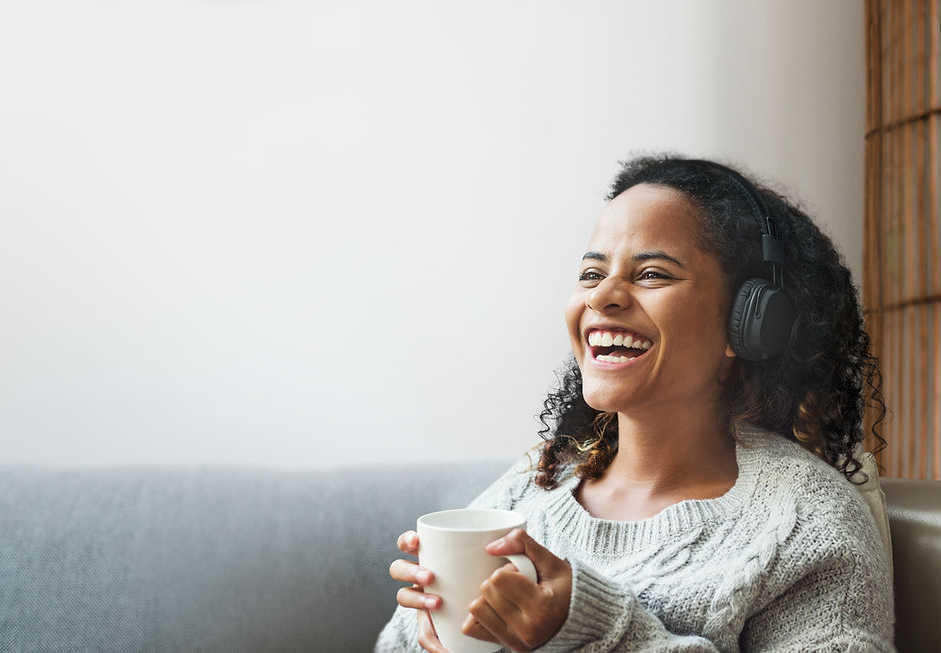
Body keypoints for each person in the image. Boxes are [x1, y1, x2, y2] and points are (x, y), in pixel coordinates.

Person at [375, 155, 894, 652]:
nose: (601, 297)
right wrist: (436, 627)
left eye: (651, 274)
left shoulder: (805, 523)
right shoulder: (539, 480)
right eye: (591, 274)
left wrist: (584, 628)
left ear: (748, 322)